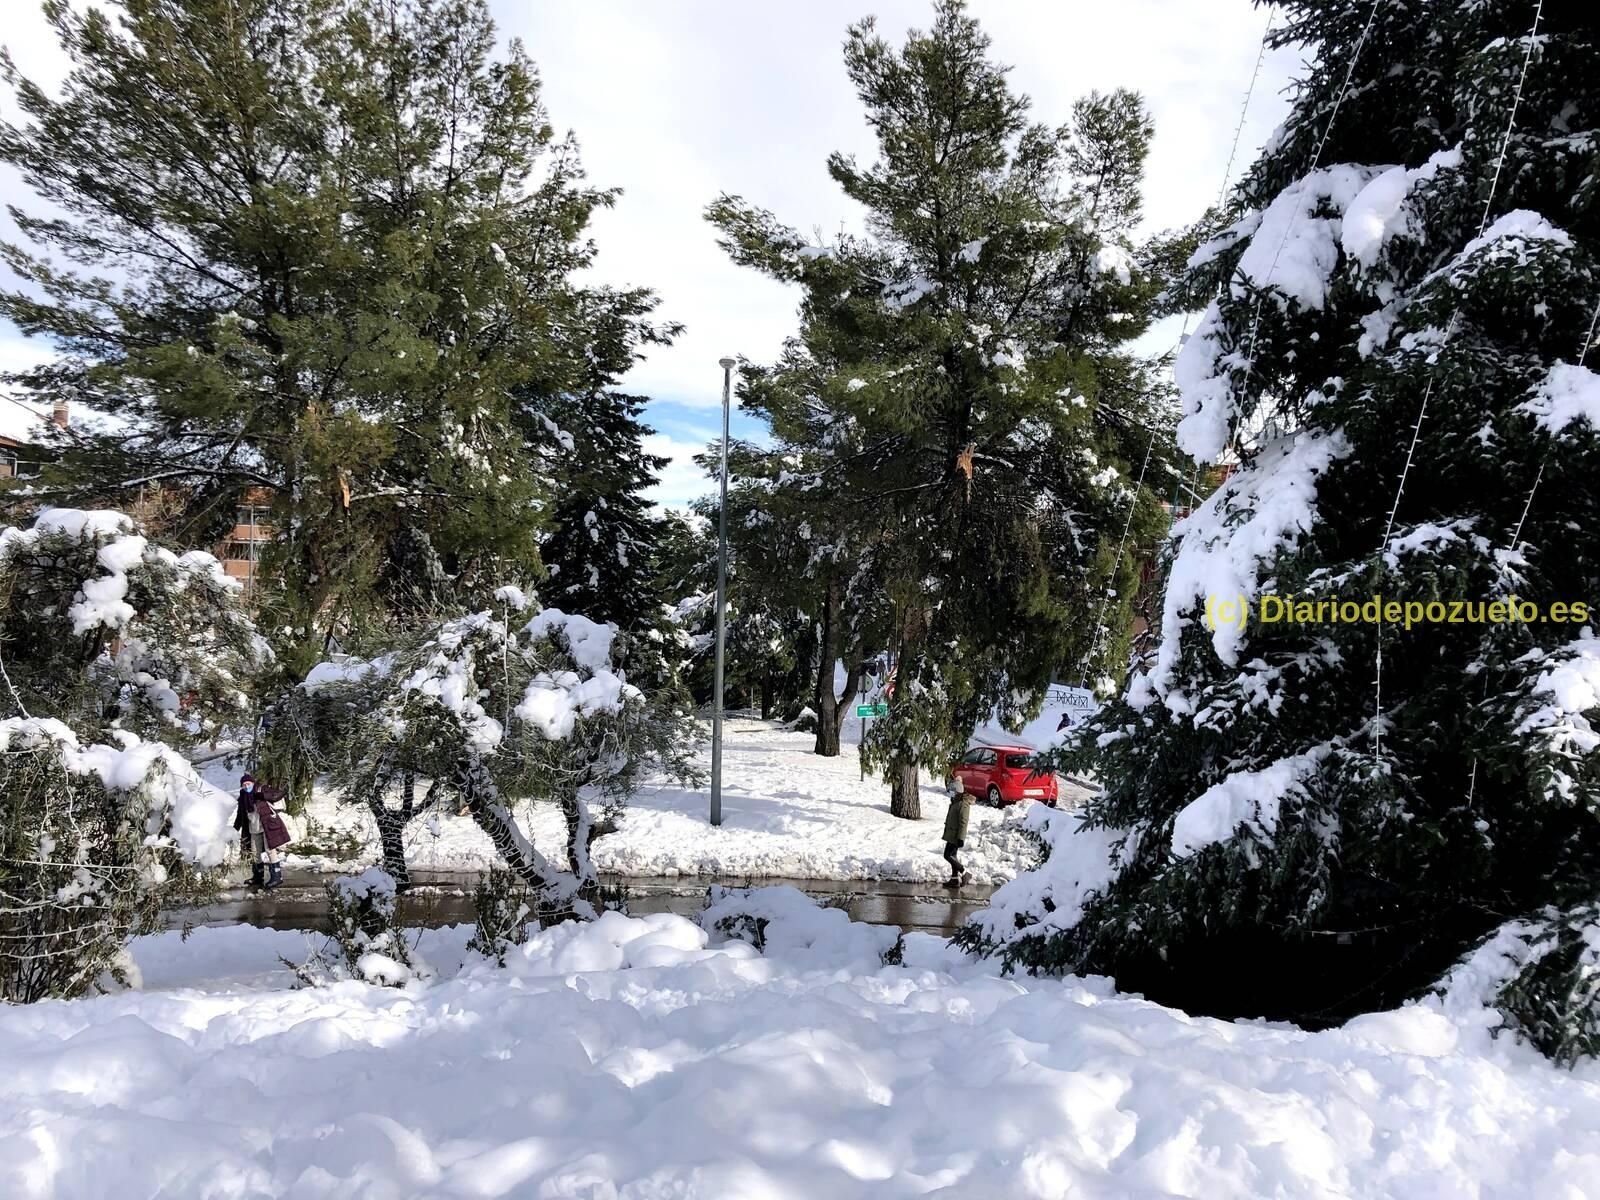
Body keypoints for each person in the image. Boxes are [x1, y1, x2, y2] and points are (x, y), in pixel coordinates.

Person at [942, 787, 974, 888]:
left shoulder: (963, 804)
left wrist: (961, 838)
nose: (951, 793)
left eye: (953, 791)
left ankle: (965, 873)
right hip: (951, 833)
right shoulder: (955, 801)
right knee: (953, 856)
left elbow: (963, 822)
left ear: (958, 792)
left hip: (956, 835)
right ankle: (954, 879)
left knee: (947, 855)